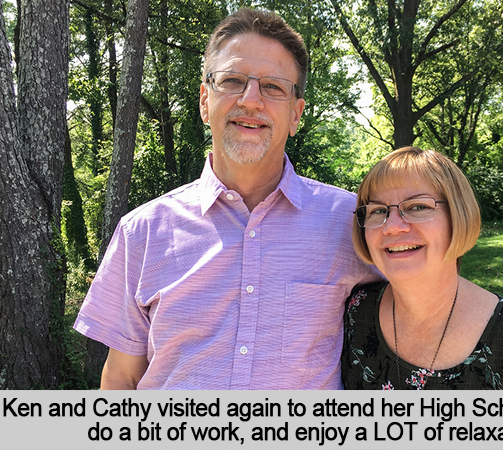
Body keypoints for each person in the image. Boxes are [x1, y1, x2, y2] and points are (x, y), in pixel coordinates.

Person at [74, 8, 378, 389]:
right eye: (232, 81)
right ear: (205, 101)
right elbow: (121, 377)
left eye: (273, 87)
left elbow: (426, 300)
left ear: (296, 114)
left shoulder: (350, 222)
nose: (251, 101)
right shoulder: (143, 232)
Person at [342, 147, 503, 390]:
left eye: (417, 206)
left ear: (459, 214)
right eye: (378, 211)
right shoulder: (354, 313)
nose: (392, 227)